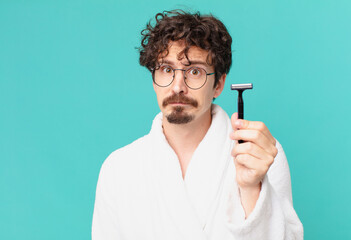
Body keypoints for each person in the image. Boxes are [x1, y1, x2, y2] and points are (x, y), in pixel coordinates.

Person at [92, 10, 303, 240]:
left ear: (218, 85)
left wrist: (252, 189)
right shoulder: (118, 169)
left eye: (194, 71)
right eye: (166, 69)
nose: (178, 87)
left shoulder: (258, 155)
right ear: (154, 79)